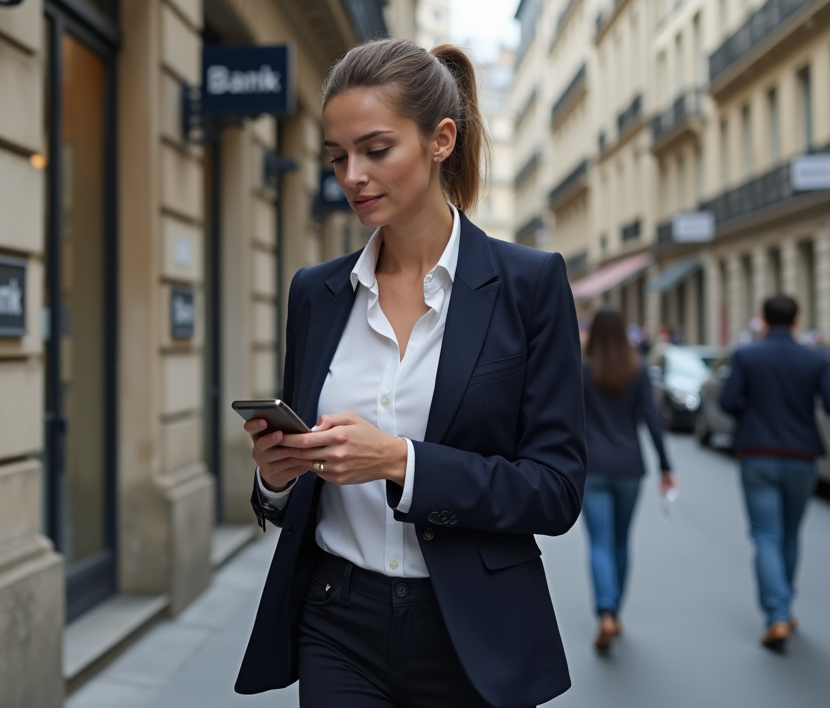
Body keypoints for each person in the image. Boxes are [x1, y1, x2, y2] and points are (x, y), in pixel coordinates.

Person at [233, 38, 586, 708]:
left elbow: (555, 491)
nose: (352, 176)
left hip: (472, 632)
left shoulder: (529, 285)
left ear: (440, 140)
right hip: (336, 619)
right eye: (338, 156)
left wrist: (400, 461)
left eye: (375, 150)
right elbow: (294, 492)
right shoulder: (316, 292)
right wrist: (276, 478)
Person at [719, 294, 830, 652]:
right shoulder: (815, 358)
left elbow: (727, 402)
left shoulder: (747, 355)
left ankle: (777, 615)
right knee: (790, 534)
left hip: (758, 454)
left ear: (763, 320)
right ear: (796, 321)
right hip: (801, 456)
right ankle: (785, 606)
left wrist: (753, 415)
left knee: (766, 535)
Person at [580, 306, 674, 651]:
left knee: (599, 543)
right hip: (629, 467)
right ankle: (616, 610)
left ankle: (605, 610)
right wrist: (665, 466)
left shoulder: (582, 368)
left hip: (592, 466)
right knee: (621, 541)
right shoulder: (637, 369)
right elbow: (652, 418)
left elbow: (567, 419)